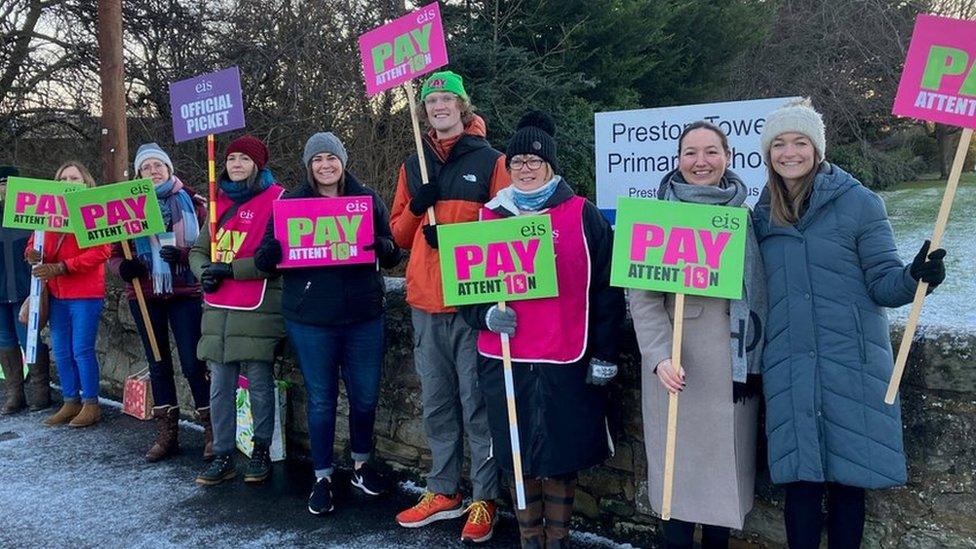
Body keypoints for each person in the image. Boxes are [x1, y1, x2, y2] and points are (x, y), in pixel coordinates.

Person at [753, 99, 947, 548]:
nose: (789, 152)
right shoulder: (761, 217)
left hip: (851, 367)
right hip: (790, 366)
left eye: (800, 141)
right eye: (779, 144)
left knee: (847, 486)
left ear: (817, 149)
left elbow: (883, 283)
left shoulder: (860, 204)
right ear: (768, 153)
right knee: (799, 484)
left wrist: (915, 278)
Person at [460, 111, 625, 548]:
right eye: (517, 163)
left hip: (565, 353)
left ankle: (558, 539)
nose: (526, 169)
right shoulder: (487, 219)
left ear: (550, 165)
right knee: (517, 456)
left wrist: (606, 354)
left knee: (559, 456)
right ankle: (529, 538)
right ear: (508, 168)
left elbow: (608, 290)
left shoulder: (583, 214)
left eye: (535, 162)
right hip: (507, 356)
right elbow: (465, 291)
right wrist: (484, 316)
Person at [629, 122, 765, 548]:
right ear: (678, 160)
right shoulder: (659, 213)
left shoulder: (743, 215)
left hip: (733, 369)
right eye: (690, 153)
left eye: (711, 152)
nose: (700, 162)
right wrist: (659, 356)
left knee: (721, 488)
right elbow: (643, 299)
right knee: (679, 487)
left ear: (728, 157)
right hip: (678, 367)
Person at [389, 70, 509, 543]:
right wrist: (419, 207)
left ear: (462, 106)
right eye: (432, 99)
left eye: (447, 98)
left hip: (472, 303)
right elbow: (398, 235)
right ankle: (443, 490)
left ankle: (484, 496)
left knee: (475, 403)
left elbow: (507, 229)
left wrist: (458, 238)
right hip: (423, 300)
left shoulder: (491, 159)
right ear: (424, 110)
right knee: (437, 404)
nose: (439, 105)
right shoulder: (411, 163)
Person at [254, 132, 402, 514]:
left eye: (331, 158)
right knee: (321, 399)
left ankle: (360, 465)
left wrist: (386, 248)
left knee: (366, 397)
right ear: (309, 166)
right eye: (318, 159)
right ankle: (321, 476)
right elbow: (266, 256)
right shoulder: (290, 203)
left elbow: (391, 250)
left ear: (342, 161)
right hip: (311, 318)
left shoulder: (367, 199)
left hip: (363, 316)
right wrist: (269, 255)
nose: (325, 165)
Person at [189, 135, 285, 486]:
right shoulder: (218, 202)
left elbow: (277, 257)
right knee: (220, 385)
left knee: (259, 381)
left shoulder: (278, 200)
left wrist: (233, 270)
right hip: (218, 307)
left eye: (244, 159)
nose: (237, 165)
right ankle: (224, 452)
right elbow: (198, 251)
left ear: (257, 164)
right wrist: (205, 274)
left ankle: (260, 448)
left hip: (258, 305)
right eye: (231, 159)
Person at [108, 143, 211, 462]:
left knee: (194, 362)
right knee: (157, 361)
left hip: (184, 292)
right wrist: (124, 268)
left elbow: (210, 245)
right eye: (146, 168)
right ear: (138, 174)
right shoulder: (124, 208)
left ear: (169, 169)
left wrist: (182, 256)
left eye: (158, 166)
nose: (153, 172)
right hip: (144, 292)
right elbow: (112, 254)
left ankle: (211, 429)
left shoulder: (193, 203)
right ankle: (167, 432)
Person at [29, 162, 112, 428]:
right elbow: (35, 242)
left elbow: (101, 251)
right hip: (57, 292)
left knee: (81, 350)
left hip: (85, 292)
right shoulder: (48, 211)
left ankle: (90, 403)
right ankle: (70, 400)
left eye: (73, 177)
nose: (68, 181)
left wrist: (63, 266)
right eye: (63, 177)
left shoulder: (94, 211)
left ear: (85, 182)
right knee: (62, 351)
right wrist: (31, 253)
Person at [0, 165, 51, 414]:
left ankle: (41, 390)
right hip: (0, 290)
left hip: (24, 288)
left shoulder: (30, 215)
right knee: (5, 340)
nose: (4, 191)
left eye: (8, 186)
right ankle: (14, 394)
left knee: (28, 338)